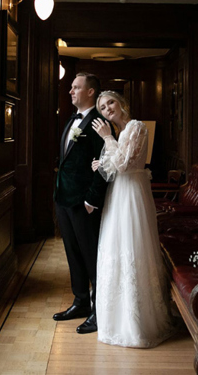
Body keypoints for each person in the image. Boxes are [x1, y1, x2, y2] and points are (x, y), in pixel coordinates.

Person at [90, 91, 175, 348]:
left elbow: (124, 165)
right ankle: (116, 320)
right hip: (118, 194)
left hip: (133, 194)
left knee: (132, 245)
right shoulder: (117, 134)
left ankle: (139, 324)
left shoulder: (136, 127)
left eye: (110, 103)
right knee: (115, 246)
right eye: (103, 108)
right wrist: (101, 164)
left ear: (122, 102)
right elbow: (111, 166)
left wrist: (106, 139)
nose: (107, 109)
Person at [53, 73, 112, 334]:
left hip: (84, 202)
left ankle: (100, 311)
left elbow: (107, 163)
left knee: (91, 256)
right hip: (63, 199)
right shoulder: (71, 119)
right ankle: (80, 301)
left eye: (76, 87)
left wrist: (92, 199)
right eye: (71, 87)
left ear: (90, 92)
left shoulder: (100, 123)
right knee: (73, 254)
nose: (70, 91)